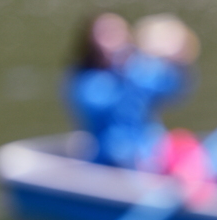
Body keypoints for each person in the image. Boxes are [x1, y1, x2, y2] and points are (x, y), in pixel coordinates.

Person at [64, 12, 198, 170]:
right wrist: (125, 73)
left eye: (118, 32)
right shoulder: (87, 79)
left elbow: (172, 88)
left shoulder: (139, 68)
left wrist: (177, 61)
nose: (113, 39)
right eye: (105, 34)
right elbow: (102, 107)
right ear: (92, 41)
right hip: (107, 156)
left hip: (147, 152)